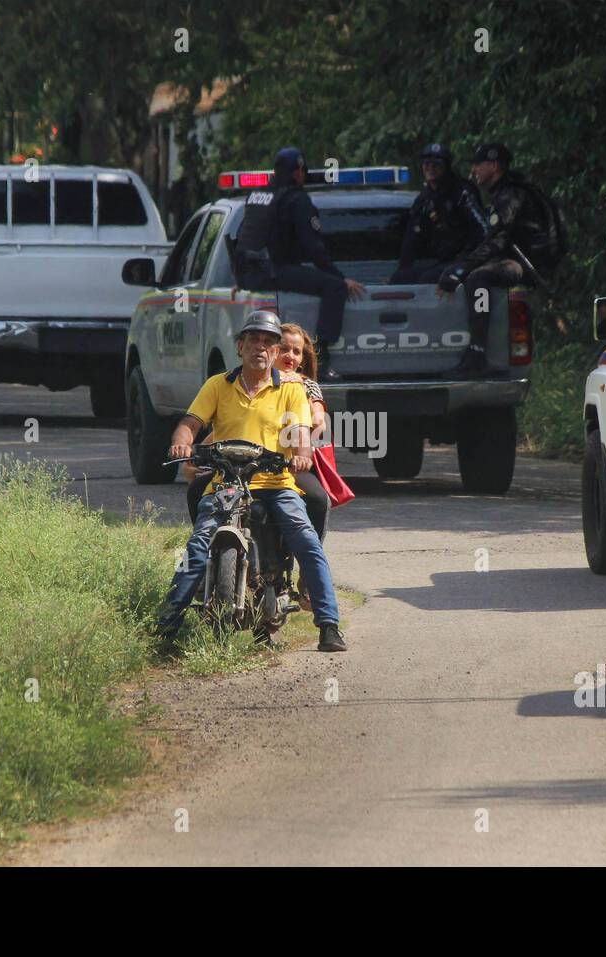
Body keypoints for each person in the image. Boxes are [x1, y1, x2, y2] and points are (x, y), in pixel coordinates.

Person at [158, 310, 347, 652]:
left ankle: (329, 625)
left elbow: (302, 431)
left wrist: (302, 453)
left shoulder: (291, 391)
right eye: (254, 340)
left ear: (276, 352)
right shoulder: (218, 385)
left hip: (277, 484)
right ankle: (165, 629)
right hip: (226, 484)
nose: (261, 347)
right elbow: (191, 421)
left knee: (307, 542)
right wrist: (183, 440)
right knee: (197, 547)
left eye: (269, 342)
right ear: (240, 346)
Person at [185, 322, 330, 542]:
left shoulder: (303, 385)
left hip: (287, 466)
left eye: (297, 352)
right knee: (197, 488)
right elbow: (232, 426)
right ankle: (208, 550)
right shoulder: (240, 382)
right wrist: (199, 453)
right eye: (284, 349)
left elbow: (319, 422)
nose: (289, 355)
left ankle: (306, 566)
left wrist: (299, 452)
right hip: (243, 463)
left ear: (303, 360)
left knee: (318, 499)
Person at [233, 146, 366, 381]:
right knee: (334, 286)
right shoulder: (296, 199)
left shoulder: (258, 193)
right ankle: (322, 360)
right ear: (298, 172)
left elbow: (247, 235)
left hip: (249, 273)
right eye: (302, 171)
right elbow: (314, 248)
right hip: (273, 272)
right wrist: (340, 277)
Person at [439, 142, 566, 377]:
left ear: (494, 166)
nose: (474, 169)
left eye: (478, 164)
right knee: (474, 273)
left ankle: (477, 353)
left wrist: (461, 272)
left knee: (477, 280)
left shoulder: (511, 195)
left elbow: (496, 241)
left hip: (527, 263)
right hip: (516, 258)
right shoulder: (504, 192)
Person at [391, 143, 488, 286]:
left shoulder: (462, 192)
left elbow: (482, 231)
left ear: (446, 167)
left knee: (428, 279)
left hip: (464, 260)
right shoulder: (424, 198)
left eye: (436, 164)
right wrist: (402, 268)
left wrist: (466, 261)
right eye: (427, 164)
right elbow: (410, 238)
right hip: (441, 260)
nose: (430, 168)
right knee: (401, 278)